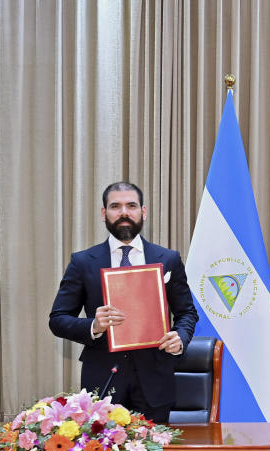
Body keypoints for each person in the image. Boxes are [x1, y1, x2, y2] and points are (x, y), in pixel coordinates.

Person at [49, 181, 198, 424]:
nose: (124, 212)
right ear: (103, 213)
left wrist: (180, 337)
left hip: (155, 382)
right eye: (115, 206)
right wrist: (93, 326)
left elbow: (187, 313)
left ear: (143, 212)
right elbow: (57, 320)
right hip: (102, 382)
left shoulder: (168, 259)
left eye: (131, 205)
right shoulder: (83, 262)